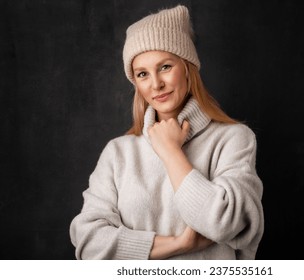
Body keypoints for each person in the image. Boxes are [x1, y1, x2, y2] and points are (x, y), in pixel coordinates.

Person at [70, 5, 264, 260]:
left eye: (165, 67)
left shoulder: (234, 139)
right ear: (136, 83)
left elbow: (224, 222)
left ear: (187, 67)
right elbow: (89, 244)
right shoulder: (118, 152)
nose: (156, 84)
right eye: (142, 74)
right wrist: (179, 245)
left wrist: (171, 151)